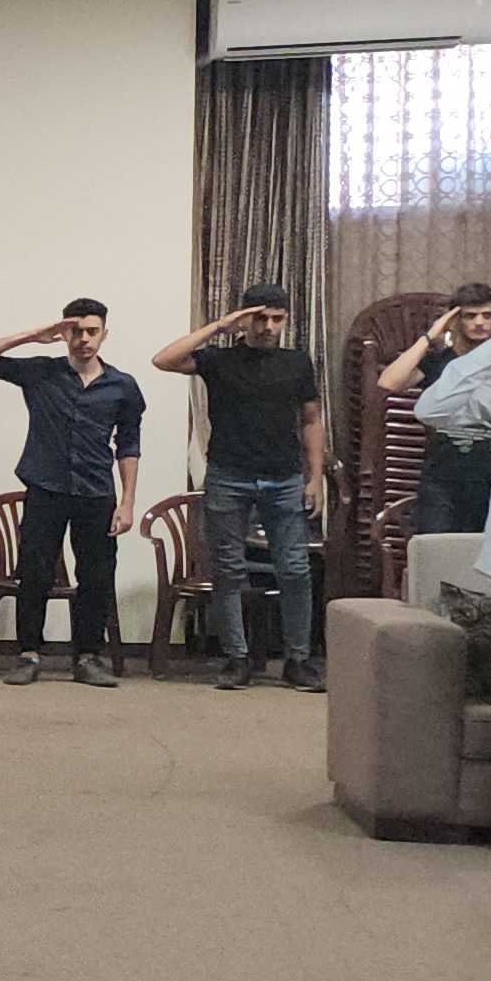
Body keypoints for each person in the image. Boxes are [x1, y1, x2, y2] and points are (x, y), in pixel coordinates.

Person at [151, 284, 326, 691]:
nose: (268, 327)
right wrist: (220, 326)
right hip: (229, 476)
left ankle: (298, 660)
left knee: (295, 570)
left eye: (277, 319)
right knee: (228, 571)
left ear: (286, 319)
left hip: (284, 478)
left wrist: (315, 477)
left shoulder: (297, 362)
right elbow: (163, 359)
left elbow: (311, 420)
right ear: (244, 319)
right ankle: (237, 658)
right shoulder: (219, 359)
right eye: (259, 318)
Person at [0, 300, 144, 688]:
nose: (84, 339)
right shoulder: (41, 372)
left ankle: (88, 657)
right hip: (46, 488)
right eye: (76, 331)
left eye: (92, 331)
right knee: (35, 573)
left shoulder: (123, 386)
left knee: (96, 576)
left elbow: (129, 445)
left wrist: (128, 501)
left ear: (105, 334)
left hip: (95, 492)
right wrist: (34, 335)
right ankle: (29, 654)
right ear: (64, 334)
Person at [388, 282, 491, 534]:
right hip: (441, 480)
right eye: (470, 316)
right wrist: (431, 335)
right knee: (436, 552)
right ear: (456, 319)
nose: (480, 322)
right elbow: (389, 382)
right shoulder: (439, 361)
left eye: (488, 315)